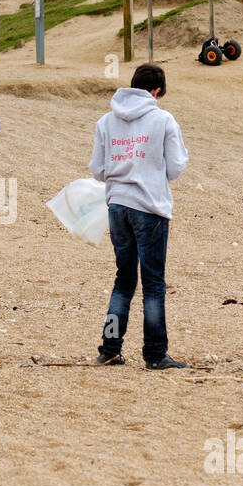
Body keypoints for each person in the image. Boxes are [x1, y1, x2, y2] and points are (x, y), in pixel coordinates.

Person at [90, 63, 188, 370]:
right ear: (157, 92)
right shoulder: (163, 119)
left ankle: (110, 348)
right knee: (153, 283)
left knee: (124, 280)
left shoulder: (106, 121)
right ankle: (155, 353)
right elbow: (176, 167)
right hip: (149, 207)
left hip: (118, 205)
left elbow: (98, 169)